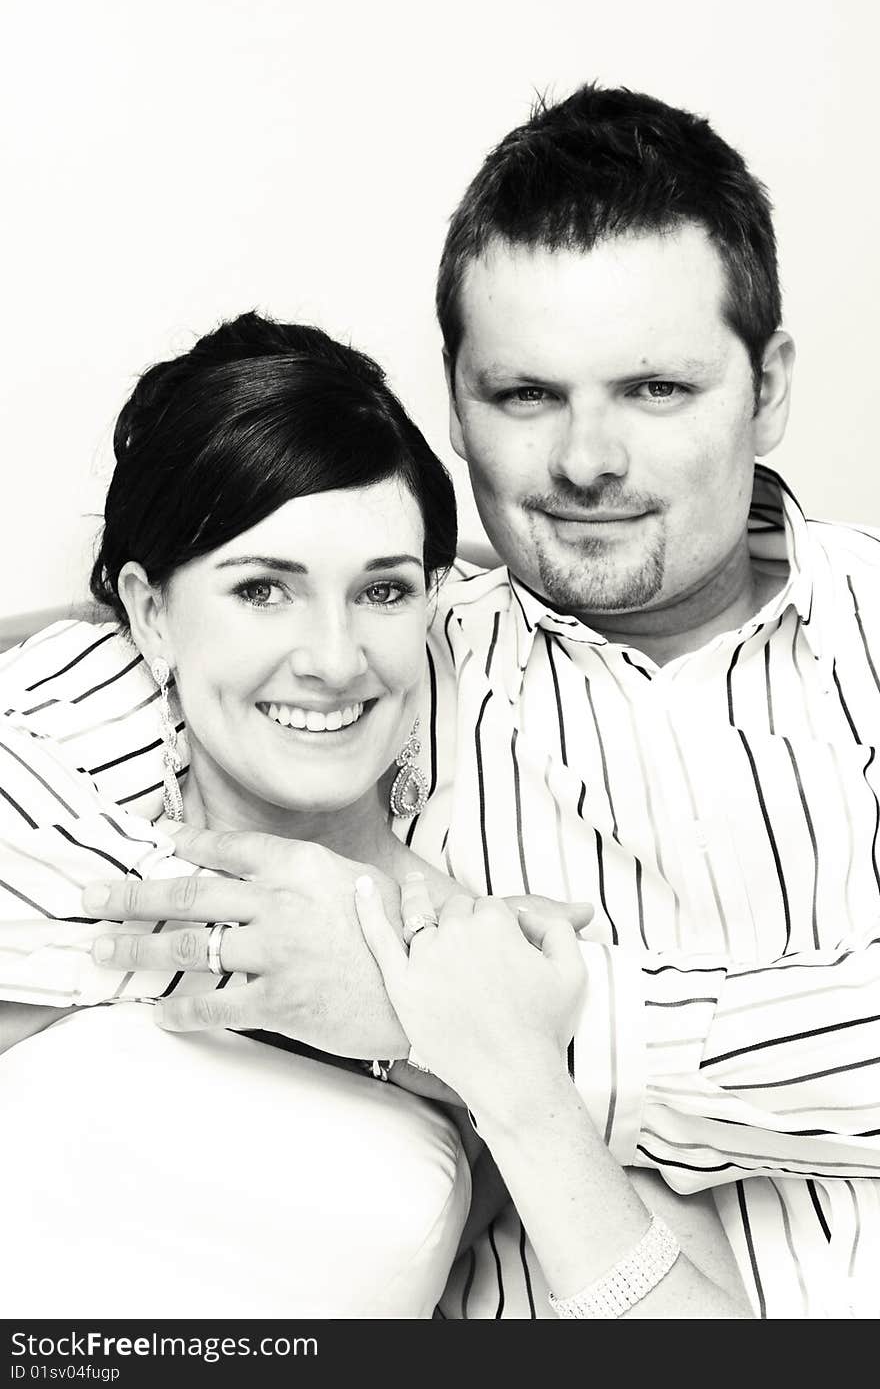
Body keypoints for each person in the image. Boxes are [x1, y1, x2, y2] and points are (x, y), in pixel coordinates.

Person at [4, 81, 880, 1317]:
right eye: (526, 394)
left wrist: (453, 1015)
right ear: (458, 405)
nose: (586, 460)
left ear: (768, 384)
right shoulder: (388, 641)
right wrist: (325, 948)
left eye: (655, 390)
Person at [0, 308, 743, 1319]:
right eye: (264, 589)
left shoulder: (491, 951)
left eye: (384, 592)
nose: (336, 658)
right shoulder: (51, 863)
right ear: (149, 612)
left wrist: (489, 1065)